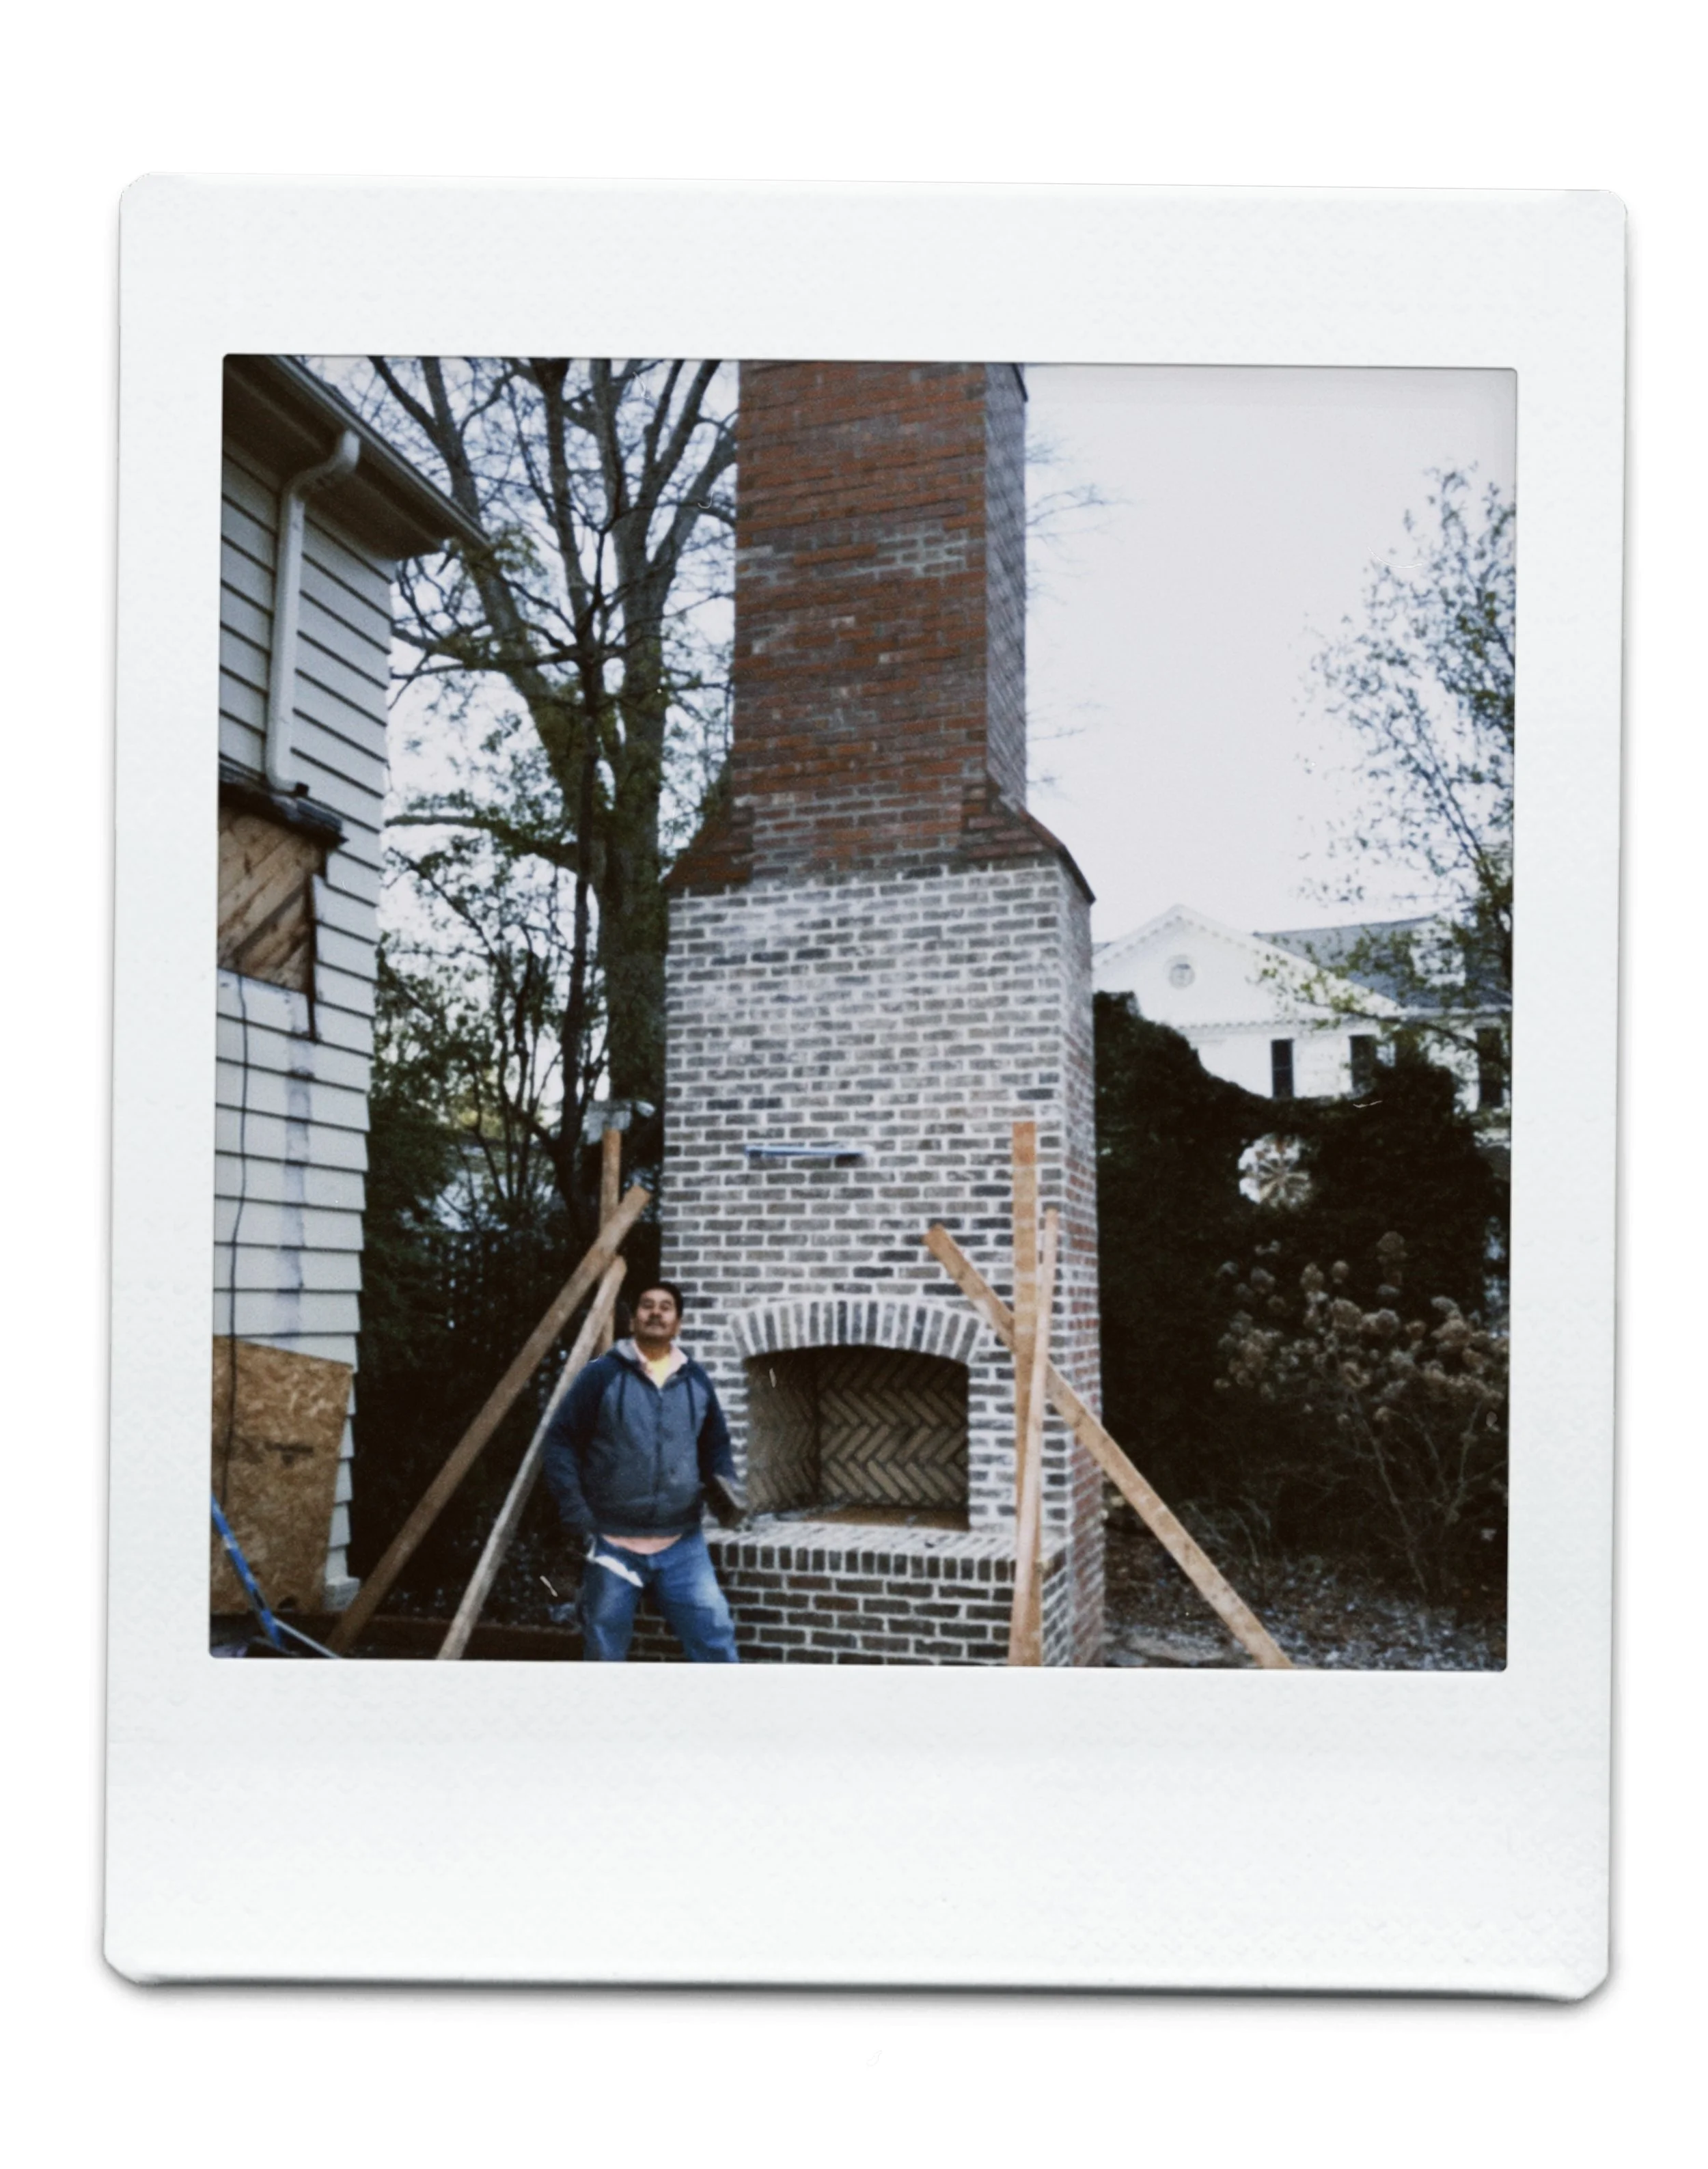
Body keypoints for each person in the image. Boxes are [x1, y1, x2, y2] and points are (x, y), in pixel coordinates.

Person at [541, 1280, 744, 1662]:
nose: (656, 1313)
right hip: (611, 1545)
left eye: (666, 1307)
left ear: (678, 1323)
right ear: (632, 1320)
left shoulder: (696, 1380)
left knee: (715, 1638)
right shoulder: (601, 1375)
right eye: (647, 1305)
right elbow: (560, 1442)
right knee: (604, 1651)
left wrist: (725, 1485)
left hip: (682, 1545)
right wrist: (574, 1508)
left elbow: (715, 1444)